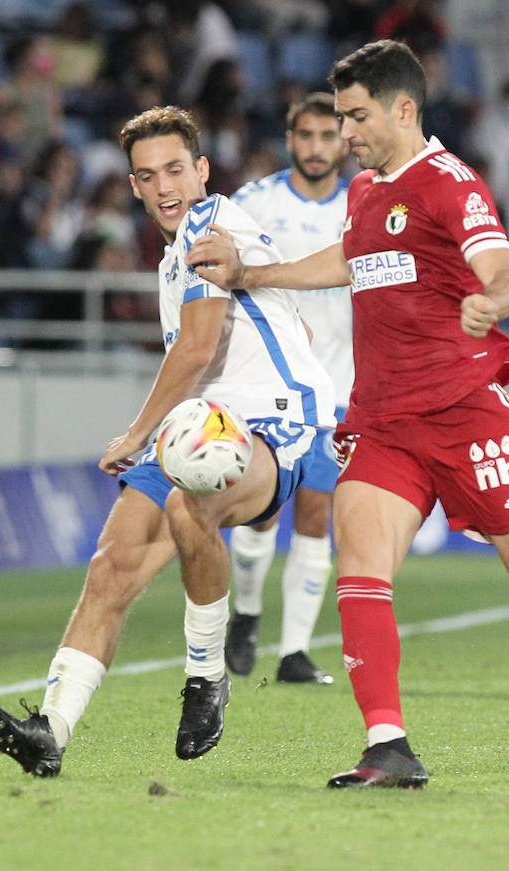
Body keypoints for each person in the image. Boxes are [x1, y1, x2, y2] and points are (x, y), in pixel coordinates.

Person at [187, 39, 509, 790]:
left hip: (466, 416)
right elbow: (347, 260)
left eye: (355, 118)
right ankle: (388, 744)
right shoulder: (367, 192)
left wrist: (489, 301)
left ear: (403, 109)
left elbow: (504, 275)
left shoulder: (450, 184)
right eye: (338, 119)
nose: (345, 136)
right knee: (361, 568)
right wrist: (251, 275)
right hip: (386, 422)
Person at [0, 105, 337, 776]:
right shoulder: (175, 260)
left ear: (202, 171)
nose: (165, 186)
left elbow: (198, 348)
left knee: (189, 507)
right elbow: (290, 333)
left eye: (176, 168)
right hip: (200, 424)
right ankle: (50, 729)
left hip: (269, 423)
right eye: (148, 175)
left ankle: (206, 676)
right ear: (135, 187)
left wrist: (137, 431)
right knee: (112, 563)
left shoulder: (208, 223)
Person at [224, 92, 350, 686]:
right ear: (290, 138)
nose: (317, 147)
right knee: (259, 514)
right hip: (271, 385)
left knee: (317, 513)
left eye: (329, 136)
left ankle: (294, 651)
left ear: (344, 140)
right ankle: (245, 613)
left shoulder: (365, 205)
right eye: (307, 135)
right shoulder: (255, 203)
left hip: (340, 387)